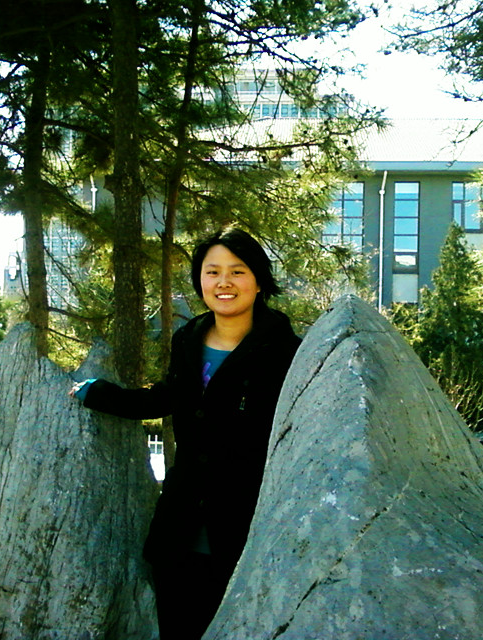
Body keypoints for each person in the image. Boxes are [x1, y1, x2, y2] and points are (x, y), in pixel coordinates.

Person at [69, 227, 301, 639]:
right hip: (181, 522)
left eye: (238, 271)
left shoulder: (287, 350)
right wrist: (100, 394)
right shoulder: (189, 339)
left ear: (259, 280)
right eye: (212, 272)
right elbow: (167, 397)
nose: (224, 282)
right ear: (200, 280)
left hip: (247, 528)